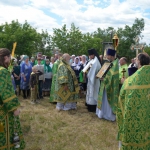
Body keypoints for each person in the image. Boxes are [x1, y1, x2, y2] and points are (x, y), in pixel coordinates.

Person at [117, 53, 150, 149]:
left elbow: (123, 97)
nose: (135, 60)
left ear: (139, 61)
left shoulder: (131, 80)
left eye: (136, 59)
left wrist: (124, 83)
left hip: (136, 116)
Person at [0, 48, 25, 149]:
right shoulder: (3, 72)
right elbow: (6, 93)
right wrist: (14, 108)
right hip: (3, 110)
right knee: (5, 133)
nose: (10, 59)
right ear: (6, 58)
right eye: (10, 57)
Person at [96, 48, 119, 121]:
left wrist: (105, 79)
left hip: (110, 86)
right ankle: (102, 113)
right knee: (103, 99)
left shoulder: (115, 64)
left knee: (107, 100)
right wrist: (99, 76)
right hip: (104, 85)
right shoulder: (107, 63)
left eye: (107, 55)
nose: (106, 57)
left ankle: (109, 115)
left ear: (111, 56)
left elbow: (113, 77)